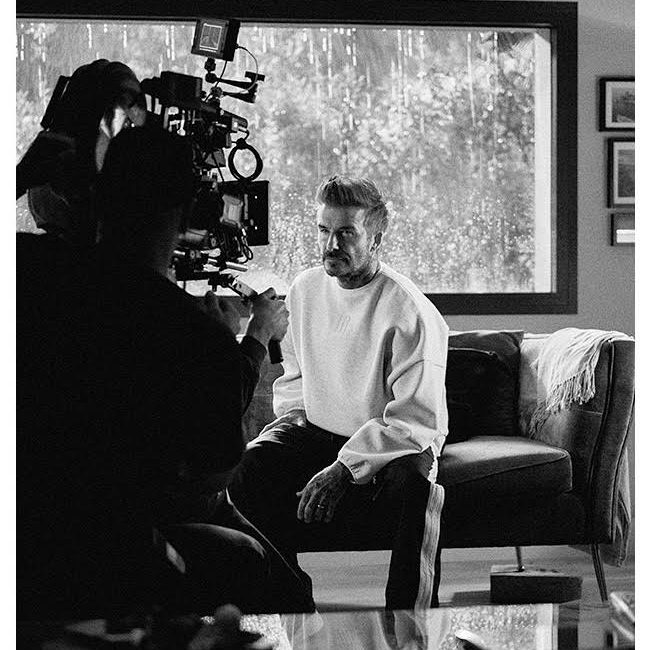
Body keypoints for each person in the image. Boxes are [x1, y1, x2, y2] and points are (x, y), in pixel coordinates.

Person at [16, 125, 314, 622]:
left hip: (28, 532)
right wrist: (250, 342)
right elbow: (211, 473)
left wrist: (21, 176)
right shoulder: (190, 331)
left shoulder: (34, 272)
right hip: (120, 543)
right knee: (288, 595)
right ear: (192, 208)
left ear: (96, 194)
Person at [229, 175, 449, 610]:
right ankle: (288, 599)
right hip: (317, 429)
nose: (332, 244)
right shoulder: (305, 288)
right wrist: (292, 423)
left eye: (346, 232)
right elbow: (294, 379)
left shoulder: (410, 310)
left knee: (415, 484)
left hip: (396, 441)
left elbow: (416, 421)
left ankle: (410, 622)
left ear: (376, 238)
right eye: (324, 230)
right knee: (250, 465)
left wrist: (345, 468)